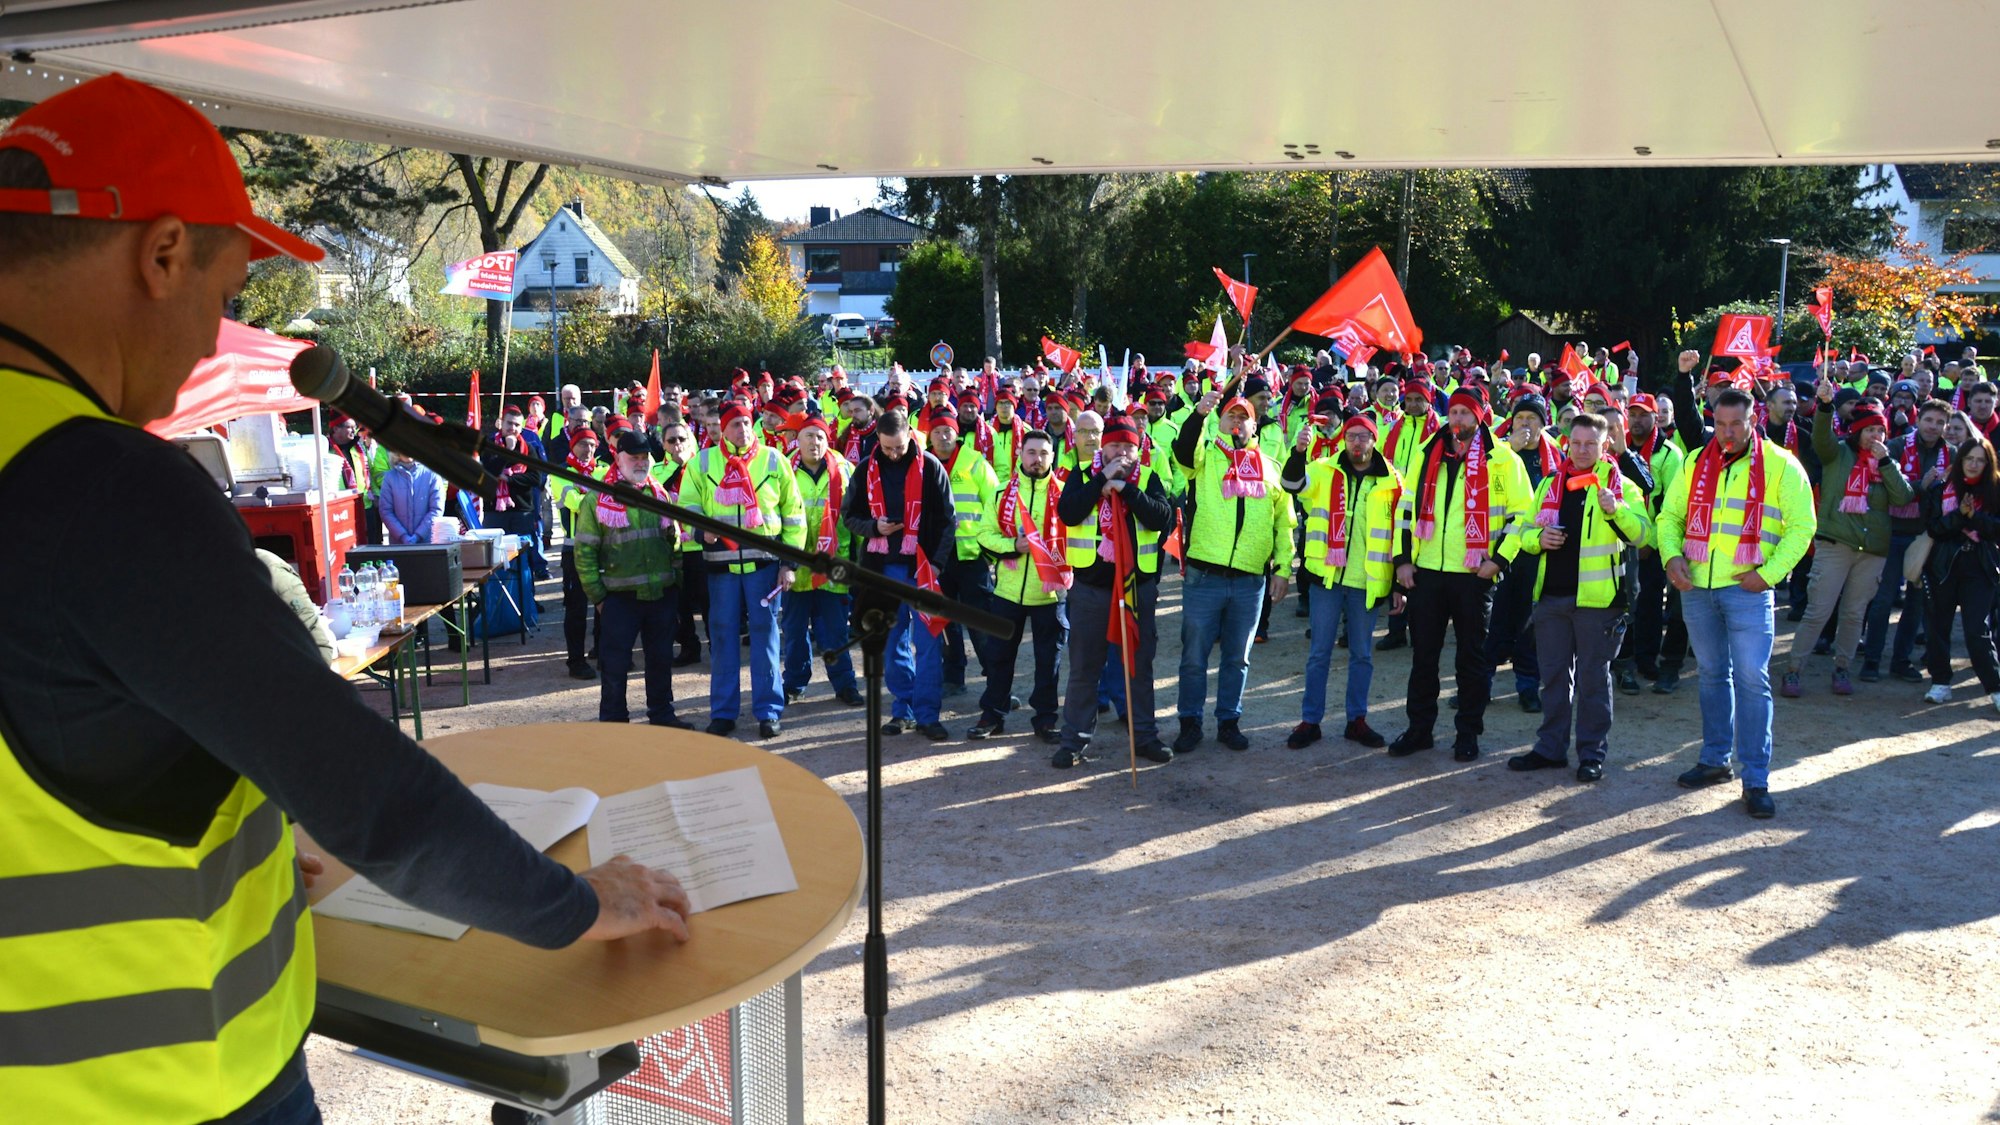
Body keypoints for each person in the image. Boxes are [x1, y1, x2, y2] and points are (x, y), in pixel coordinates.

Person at [0, 73, 691, 1124]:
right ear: (163, 254)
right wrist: (575, 905)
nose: (209, 344)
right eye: (225, 299)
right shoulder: (98, 485)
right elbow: (377, 801)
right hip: (163, 1084)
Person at [1658, 386, 1817, 819]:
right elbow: (1669, 517)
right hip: (1697, 587)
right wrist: (1672, 556)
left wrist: (1767, 575)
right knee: (1711, 675)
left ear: (1753, 421)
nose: (1726, 433)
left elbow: (1803, 527)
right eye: (1720, 424)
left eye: (1736, 425)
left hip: (1748, 590)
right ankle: (1714, 761)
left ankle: (1756, 778)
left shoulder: (1783, 466)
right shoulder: (1695, 461)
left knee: (1751, 680)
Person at [1503, 413, 1650, 782]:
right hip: (1552, 598)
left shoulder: (1621, 486)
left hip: (1599, 603)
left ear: (1605, 446)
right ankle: (1551, 749)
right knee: (1552, 677)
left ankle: (1591, 754)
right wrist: (1540, 540)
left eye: (1591, 444)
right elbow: (1524, 531)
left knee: (1593, 680)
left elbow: (1643, 536)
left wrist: (1616, 510)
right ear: (1567, 442)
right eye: (1577, 443)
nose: (1582, 451)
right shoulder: (1551, 482)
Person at [1390, 388, 1532, 762]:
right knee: (1423, 657)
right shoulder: (1427, 453)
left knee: (1470, 661)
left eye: (1466, 413)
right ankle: (1419, 730)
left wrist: (1499, 561)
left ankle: (1467, 733)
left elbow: (1523, 517)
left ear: (1481, 415)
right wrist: (1402, 560)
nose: (1458, 420)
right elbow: (1405, 509)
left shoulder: (1503, 459)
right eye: (1453, 412)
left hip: (1474, 575)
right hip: (1428, 573)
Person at [1170, 389, 1296, 752]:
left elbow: (1283, 524)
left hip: (1250, 580)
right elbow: (1182, 451)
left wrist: (1284, 568)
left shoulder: (1270, 467)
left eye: (1244, 417)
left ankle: (1228, 720)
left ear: (1254, 426)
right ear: (1220, 422)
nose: (1238, 422)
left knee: (1237, 657)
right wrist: (1198, 414)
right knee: (1194, 656)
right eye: (1231, 416)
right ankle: (1190, 722)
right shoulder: (1205, 456)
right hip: (1204, 576)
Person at [1054, 414, 1173, 768]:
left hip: (1136, 588)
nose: (1121, 452)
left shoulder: (1148, 477)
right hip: (1091, 591)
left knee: (1138, 666)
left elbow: (1161, 519)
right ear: (1101, 447)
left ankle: (1145, 738)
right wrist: (1101, 482)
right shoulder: (1082, 473)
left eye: (1128, 447)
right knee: (1084, 668)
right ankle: (1073, 741)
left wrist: (1128, 491)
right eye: (1114, 445)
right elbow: (1069, 512)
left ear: (1138, 450)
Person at [682, 400, 805, 740]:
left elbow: (794, 515)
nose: (742, 429)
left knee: (766, 637)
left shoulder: (773, 459)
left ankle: (768, 712)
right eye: (735, 424)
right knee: (722, 639)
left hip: (765, 568)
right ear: (723, 428)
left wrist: (789, 564)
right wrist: (698, 529)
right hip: (720, 569)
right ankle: (723, 713)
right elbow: (687, 504)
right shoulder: (703, 461)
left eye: (747, 423)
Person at [1282, 413, 1402, 749]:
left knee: (1362, 654)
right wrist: (1297, 452)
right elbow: (1291, 485)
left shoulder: (1393, 480)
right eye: (1352, 436)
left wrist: (1398, 586)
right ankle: (1310, 721)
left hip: (1368, 580)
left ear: (1375, 440)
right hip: (1327, 577)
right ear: (1344, 439)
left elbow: (1399, 534)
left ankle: (1357, 720)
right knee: (1319, 653)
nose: (1357, 442)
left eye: (1364, 436)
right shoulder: (1323, 468)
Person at [1781, 393, 1911, 696]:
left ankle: (1842, 667)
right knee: (1818, 611)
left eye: (1880, 431)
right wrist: (1825, 406)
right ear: (1857, 431)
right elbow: (1820, 437)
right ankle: (1793, 670)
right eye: (1870, 430)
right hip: (1835, 544)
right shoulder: (1837, 454)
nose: (1876, 436)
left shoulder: (1887, 460)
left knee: (1854, 614)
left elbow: (1903, 497)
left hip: (1872, 551)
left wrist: (1887, 463)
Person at [844, 411, 957, 740]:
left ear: (910, 435)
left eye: (900, 447)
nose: (894, 453)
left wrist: (936, 564)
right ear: (877, 439)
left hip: (921, 568)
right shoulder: (865, 468)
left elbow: (948, 521)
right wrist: (874, 527)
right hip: (882, 568)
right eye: (888, 448)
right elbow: (850, 516)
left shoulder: (931, 466)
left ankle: (927, 715)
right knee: (891, 646)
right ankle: (903, 710)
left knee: (928, 644)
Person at [574, 430, 691, 729]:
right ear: (617, 457)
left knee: (661, 661)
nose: (640, 463)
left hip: (661, 594)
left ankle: (662, 716)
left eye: (645, 458)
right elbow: (584, 552)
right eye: (633, 457)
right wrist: (599, 597)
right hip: (619, 598)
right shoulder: (596, 499)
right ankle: (614, 724)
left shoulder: (659, 492)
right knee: (614, 666)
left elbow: (673, 541)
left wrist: (676, 583)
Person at [1862, 398, 1953, 682]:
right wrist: (1920, 487)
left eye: (1940, 423)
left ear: (1946, 426)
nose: (1933, 427)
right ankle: (1872, 661)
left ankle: (1900, 661)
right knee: (1883, 600)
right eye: (1929, 420)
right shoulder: (1898, 446)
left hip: (1924, 536)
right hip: (1892, 531)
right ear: (1919, 420)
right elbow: (1887, 489)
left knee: (1917, 603)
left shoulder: (1950, 454)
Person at [782, 417, 864, 706]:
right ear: (798, 439)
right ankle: (793, 684)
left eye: (819, 436)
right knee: (794, 633)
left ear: (827, 439)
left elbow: (858, 515)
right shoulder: (784, 469)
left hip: (835, 567)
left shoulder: (845, 469)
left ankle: (845, 685)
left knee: (835, 631)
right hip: (795, 568)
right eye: (808, 436)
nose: (813, 442)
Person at [1920, 435, 2000, 710]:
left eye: (1980, 460)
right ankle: (1940, 682)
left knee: (1977, 629)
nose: (1974, 465)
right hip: (1943, 565)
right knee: (1937, 626)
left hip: (1980, 568)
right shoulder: (1942, 488)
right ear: (1960, 460)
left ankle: (1995, 687)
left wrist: (1972, 517)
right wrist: (1959, 517)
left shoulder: (1995, 490)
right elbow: (1934, 528)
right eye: (1969, 459)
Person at [928, 414, 1001, 697]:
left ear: (956, 434)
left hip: (973, 558)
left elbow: (995, 506)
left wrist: (990, 553)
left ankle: (996, 680)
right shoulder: (922, 465)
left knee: (981, 623)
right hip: (938, 559)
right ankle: (953, 677)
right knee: (946, 621)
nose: (943, 436)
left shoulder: (975, 462)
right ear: (929, 436)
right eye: (937, 431)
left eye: (948, 431)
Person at [550, 429, 609, 678]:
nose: (589, 450)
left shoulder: (604, 470)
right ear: (572, 447)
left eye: (593, 445)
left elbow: (610, 500)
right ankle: (576, 661)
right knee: (576, 608)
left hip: (603, 547)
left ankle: (604, 654)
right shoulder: (561, 472)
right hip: (574, 547)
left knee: (605, 605)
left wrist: (585, 491)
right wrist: (596, 496)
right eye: (583, 444)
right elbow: (576, 503)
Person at [329, 413, 380, 544]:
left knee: (371, 543)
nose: (354, 430)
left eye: (355, 427)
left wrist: (376, 495)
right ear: (335, 429)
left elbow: (371, 473)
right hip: (341, 508)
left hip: (365, 504)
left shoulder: (359, 447)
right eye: (349, 427)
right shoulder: (326, 450)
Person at [378, 449, 445, 546]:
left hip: (427, 544)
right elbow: (386, 511)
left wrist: (417, 536)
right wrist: (403, 536)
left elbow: (436, 509)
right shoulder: (389, 477)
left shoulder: (432, 475)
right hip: (398, 545)